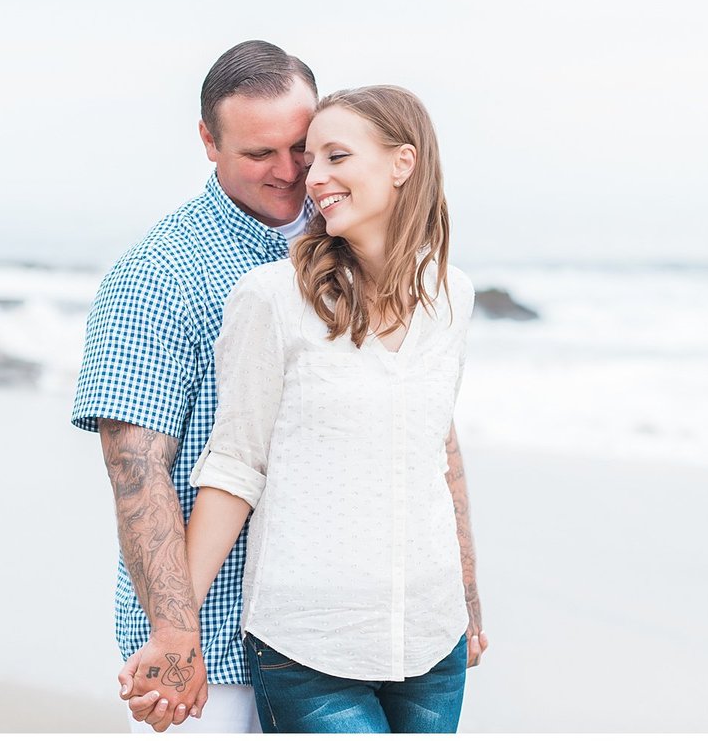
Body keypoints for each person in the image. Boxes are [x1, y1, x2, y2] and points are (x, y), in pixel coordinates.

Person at [134, 85, 489, 733]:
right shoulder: (272, 297)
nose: (312, 177)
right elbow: (235, 467)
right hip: (309, 649)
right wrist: (173, 631)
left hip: (433, 643)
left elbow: (435, 452)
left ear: (402, 163)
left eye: (334, 156)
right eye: (310, 157)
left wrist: (466, 597)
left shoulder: (451, 295)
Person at [71, 39, 320, 734]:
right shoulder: (157, 275)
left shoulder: (353, 250)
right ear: (209, 141)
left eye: (302, 145)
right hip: (213, 650)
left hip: (329, 643)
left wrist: (463, 591)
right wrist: (178, 641)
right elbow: (137, 474)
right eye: (259, 153)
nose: (289, 170)